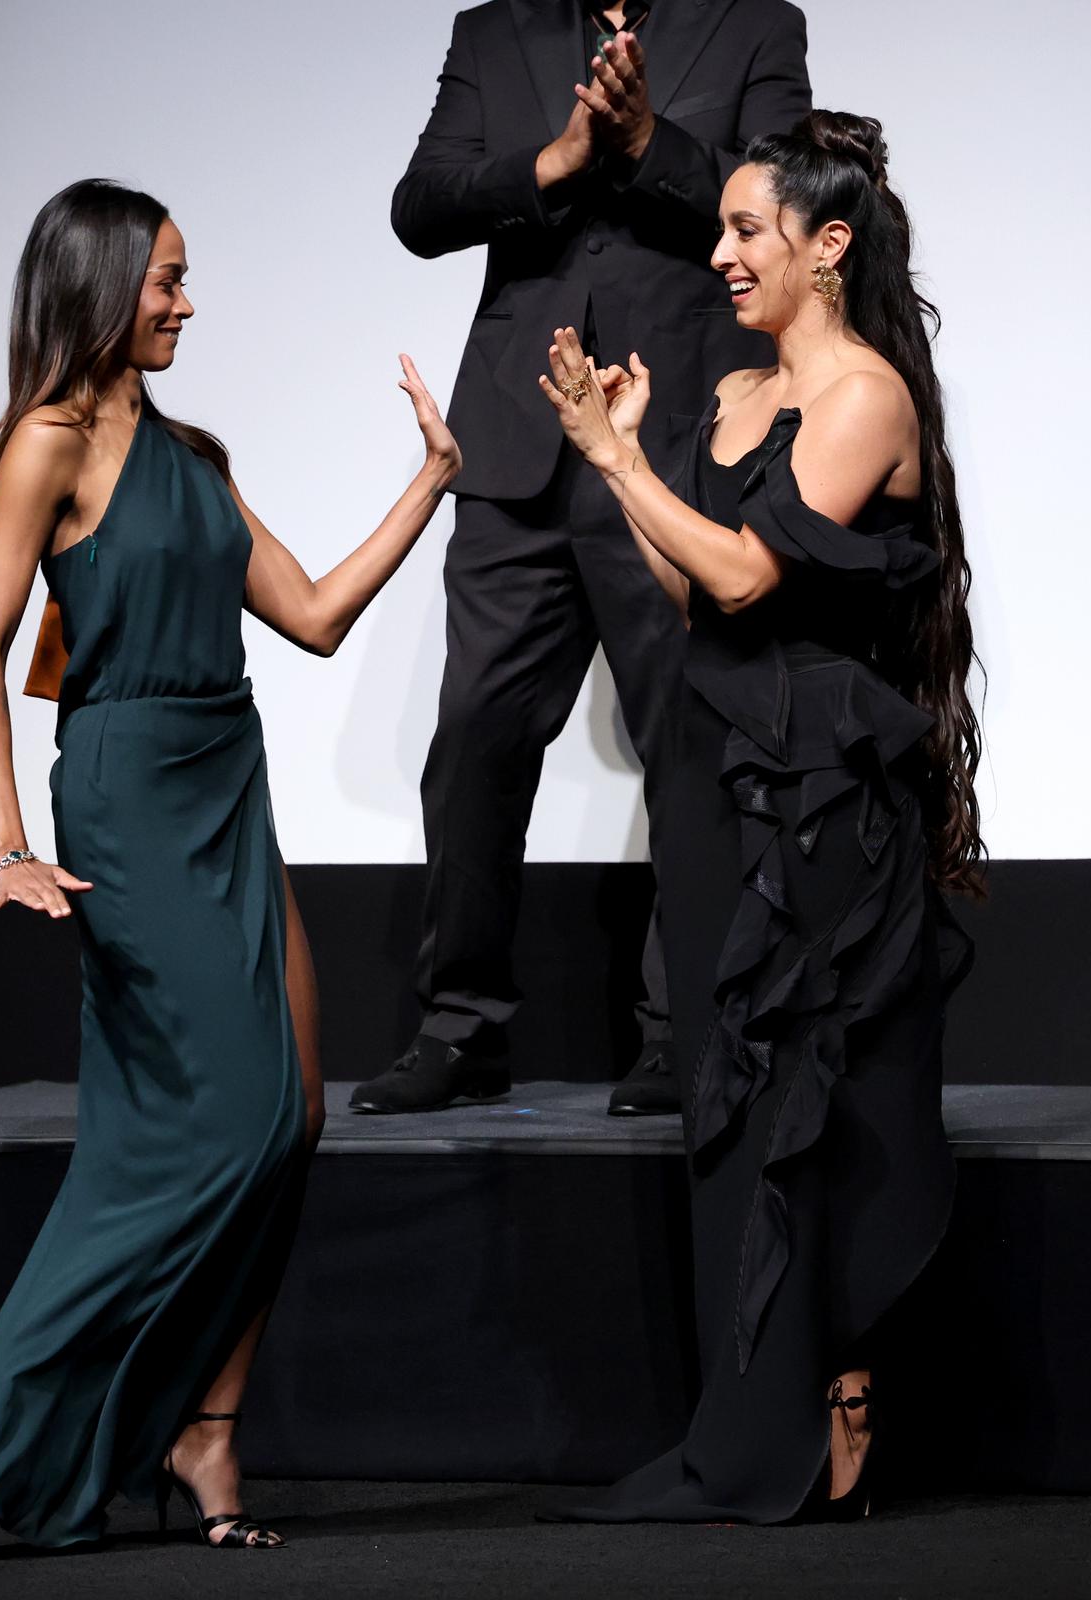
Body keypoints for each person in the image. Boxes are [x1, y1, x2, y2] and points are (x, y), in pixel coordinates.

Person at [0, 180, 459, 1551]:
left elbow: (317, 617)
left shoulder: (195, 457)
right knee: (218, 1126)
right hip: (128, 795)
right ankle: (12, 1451)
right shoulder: (48, 444)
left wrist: (433, 482)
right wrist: (5, 845)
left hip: (227, 781)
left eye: (186, 278)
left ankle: (210, 1435)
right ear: (98, 283)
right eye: (165, 280)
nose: (186, 303)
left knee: (296, 1114)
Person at [535, 109, 980, 1523]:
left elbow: (743, 581)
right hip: (720, 783)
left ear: (826, 244)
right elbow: (690, 594)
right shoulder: (729, 396)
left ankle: (835, 1401)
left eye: (745, 229)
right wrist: (634, 457)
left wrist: (618, 465)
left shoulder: (864, 399)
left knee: (824, 1102)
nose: (720, 254)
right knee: (729, 1104)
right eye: (720, 230)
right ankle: (751, 1423)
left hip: (827, 804)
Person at [360, 0, 812, 1116]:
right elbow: (421, 207)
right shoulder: (492, 31)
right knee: (474, 732)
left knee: (687, 735)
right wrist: (555, 160)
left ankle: (682, 1022)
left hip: (677, 437)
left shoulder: (754, 24)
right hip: (521, 441)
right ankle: (462, 1027)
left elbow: (794, 203)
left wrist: (653, 143)